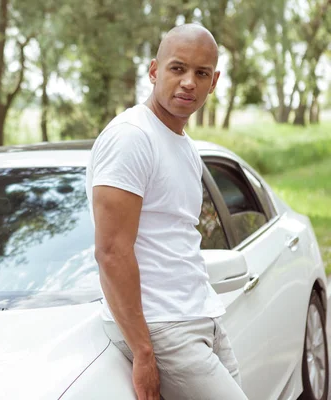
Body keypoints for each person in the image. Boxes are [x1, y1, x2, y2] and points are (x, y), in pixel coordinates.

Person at [85, 24, 248, 400]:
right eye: (178, 68)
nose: (189, 82)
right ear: (155, 70)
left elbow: (176, 237)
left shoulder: (183, 143)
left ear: (214, 81)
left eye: (201, 73)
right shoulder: (131, 137)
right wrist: (143, 351)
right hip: (162, 327)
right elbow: (111, 251)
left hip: (198, 315)